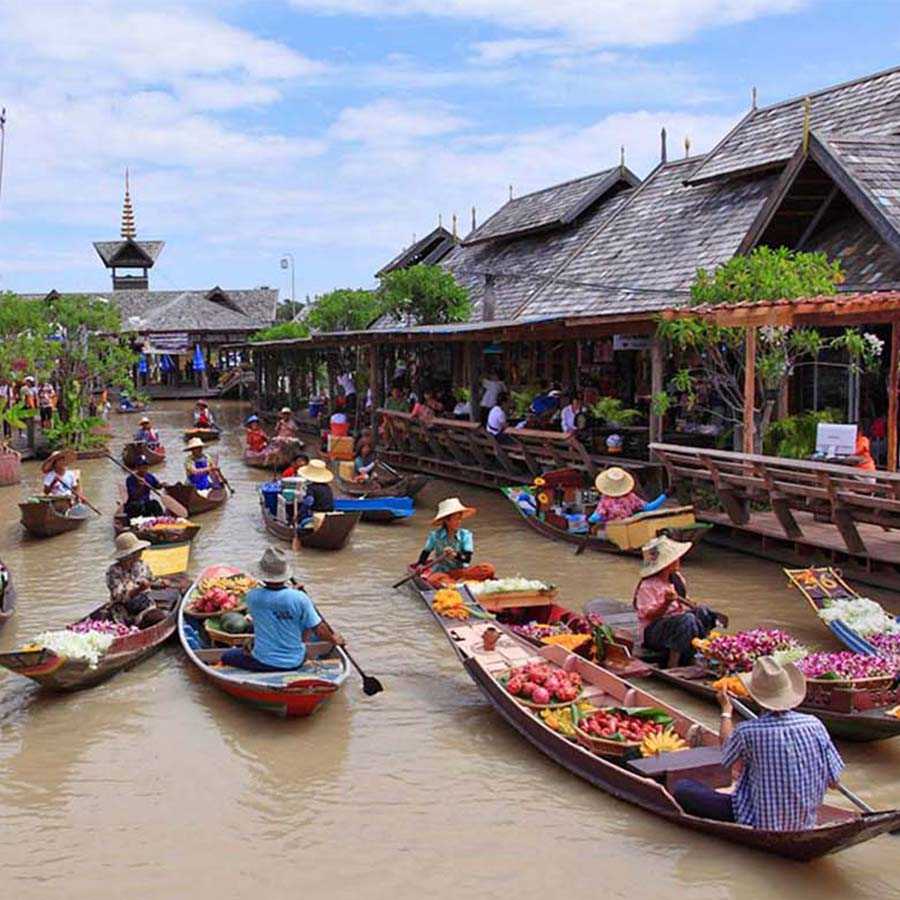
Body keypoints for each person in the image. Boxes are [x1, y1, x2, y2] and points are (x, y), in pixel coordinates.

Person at [673, 657, 844, 830]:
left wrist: (726, 711)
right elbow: (834, 782)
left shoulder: (748, 731)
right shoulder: (815, 724)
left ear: (754, 696)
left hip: (758, 821)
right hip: (805, 821)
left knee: (682, 788)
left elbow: (726, 756)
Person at [220, 547, 344, 672]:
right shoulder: (300, 598)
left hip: (263, 661)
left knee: (226, 656)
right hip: (296, 662)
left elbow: (274, 603)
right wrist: (334, 640)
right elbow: (319, 628)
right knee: (305, 623)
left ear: (263, 576)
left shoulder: (252, 597)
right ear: (284, 576)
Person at [633, 536, 723, 668]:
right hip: (653, 633)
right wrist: (666, 603)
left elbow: (684, 601)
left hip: (678, 626)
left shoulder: (677, 579)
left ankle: (700, 650)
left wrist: (691, 604)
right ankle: (673, 663)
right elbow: (649, 616)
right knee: (687, 619)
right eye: (675, 558)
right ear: (666, 563)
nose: (678, 560)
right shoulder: (648, 586)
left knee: (703, 612)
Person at [415, 497, 496, 586]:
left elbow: (467, 559)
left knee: (488, 569)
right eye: (456, 519)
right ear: (446, 520)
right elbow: (425, 553)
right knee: (435, 581)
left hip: (461, 571)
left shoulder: (465, 535)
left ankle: (458, 582)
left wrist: (455, 555)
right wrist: (420, 565)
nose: (459, 522)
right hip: (442, 572)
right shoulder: (435, 536)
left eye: (460, 518)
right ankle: (454, 584)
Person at [105, 532, 168, 628]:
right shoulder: (114, 571)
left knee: (159, 617)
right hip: (123, 611)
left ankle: (141, 624)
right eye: (138, 552)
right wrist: (138, 589)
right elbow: (119, 596)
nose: (140, 554)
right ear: (130, 555)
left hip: (144, 606)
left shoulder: (141, 565)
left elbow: (153, 580)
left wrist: (162, 583)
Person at [588, 467, 667, 527]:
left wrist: (589, 520)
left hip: (613, 530)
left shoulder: (606, 501)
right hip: (629, 528)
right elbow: (649, 508)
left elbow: (596, 517)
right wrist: (665, 495)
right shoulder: (631, 497)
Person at [292, 459, 335, 549]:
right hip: (329, 515)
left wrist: (298, 516)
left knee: (300, 527)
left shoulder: (311, 488)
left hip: (316, 515)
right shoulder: (328, 488)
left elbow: (308, 503)